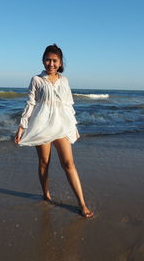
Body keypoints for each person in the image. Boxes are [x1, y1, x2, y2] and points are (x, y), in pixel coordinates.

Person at [14, 44, 94, 218]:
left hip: (61, 125)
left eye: (54, 60)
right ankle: (46, 194)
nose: (51, 63)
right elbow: (30, 104)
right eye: (48, 60)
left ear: (60, 62)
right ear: (43, 60)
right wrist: (22, 126)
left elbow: (68, 105)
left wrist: (73, 127)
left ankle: (82, 203)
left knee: (68, 163)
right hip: (41, 124)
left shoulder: (64, 81)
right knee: (44, 163)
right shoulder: (36, 80)